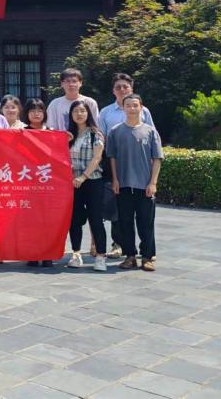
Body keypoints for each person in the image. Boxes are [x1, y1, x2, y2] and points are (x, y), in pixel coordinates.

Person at [98, 73, 155, 259]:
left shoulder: (144, 111)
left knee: (144, 212)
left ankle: (147, 251)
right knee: (118, 206)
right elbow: (101, 137)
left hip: (140, 165)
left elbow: (152, 137)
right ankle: (118, 244)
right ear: (113, 90)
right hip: (114, 162)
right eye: (118, 87)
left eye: (125, 86)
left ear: (131, 88)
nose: (122, 89)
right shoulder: (106, 112)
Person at [108, 93, 163, 271]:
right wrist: (115, 179)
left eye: (135, 105)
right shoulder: (115, 131)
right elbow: (112, 157)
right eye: (128, 105)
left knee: (146, 223)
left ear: (141, 107)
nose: (132, 108)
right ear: (123, 108)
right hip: (123, 185)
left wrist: (153, 183)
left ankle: (147, 257)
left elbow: (157, 158)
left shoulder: (150, 131)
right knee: (125, 222)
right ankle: (130, 256)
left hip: (144, 185)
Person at [65, 101, 107, 272]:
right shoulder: (69, 135)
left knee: (95, 218)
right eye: (75, 111)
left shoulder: (95, 134)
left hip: (92, 181)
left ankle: (101, 256)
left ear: (88, 113)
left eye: (82, 111)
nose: (79, 114)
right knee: (74, 219)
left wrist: (83, 177)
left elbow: (97, 158)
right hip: (72, 183)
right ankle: (76, 254)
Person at [22, 98, 55, 268]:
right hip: (27, 183)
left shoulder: (52, 133)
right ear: (26, 114)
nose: (36, 114)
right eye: (32, 111)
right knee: (30, 221)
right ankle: (32, 254)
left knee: (48, 220)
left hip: (48, 184)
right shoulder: (21, 133)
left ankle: (47, 254)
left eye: (40, 110)